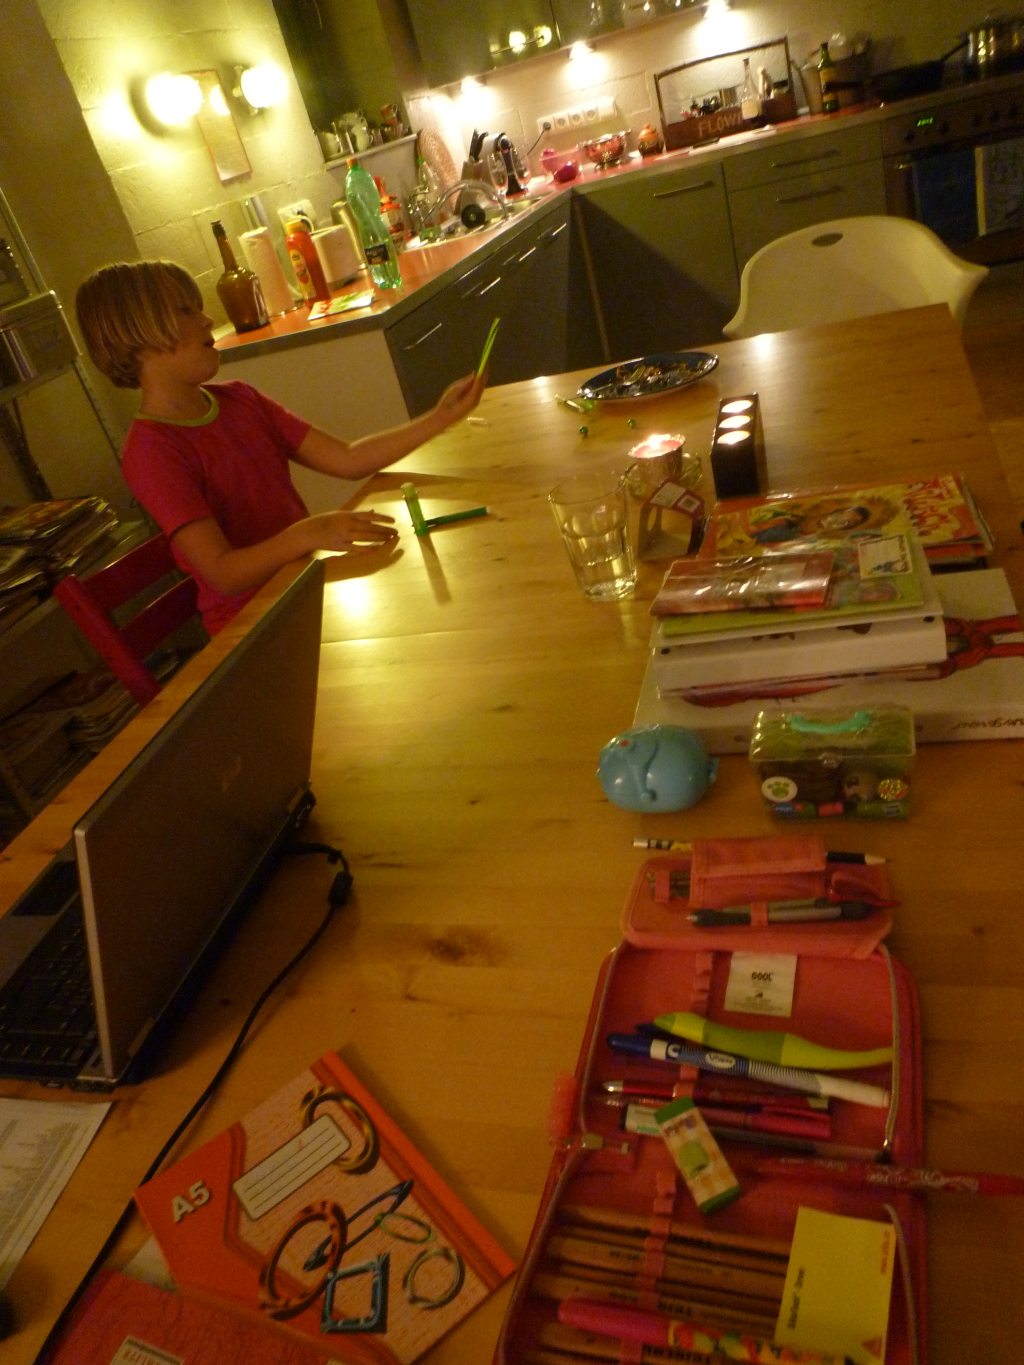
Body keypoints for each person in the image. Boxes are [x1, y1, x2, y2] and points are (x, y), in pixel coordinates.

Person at [75, 259, 486, 634]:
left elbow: (349, 459)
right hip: (253, 628)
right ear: (138, 337)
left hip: (304, 587)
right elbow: (222, 573)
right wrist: (309, 533)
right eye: (185, 311)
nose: (207, 320)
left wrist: (440, 417)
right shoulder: (151, 453)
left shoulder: (241, 399)